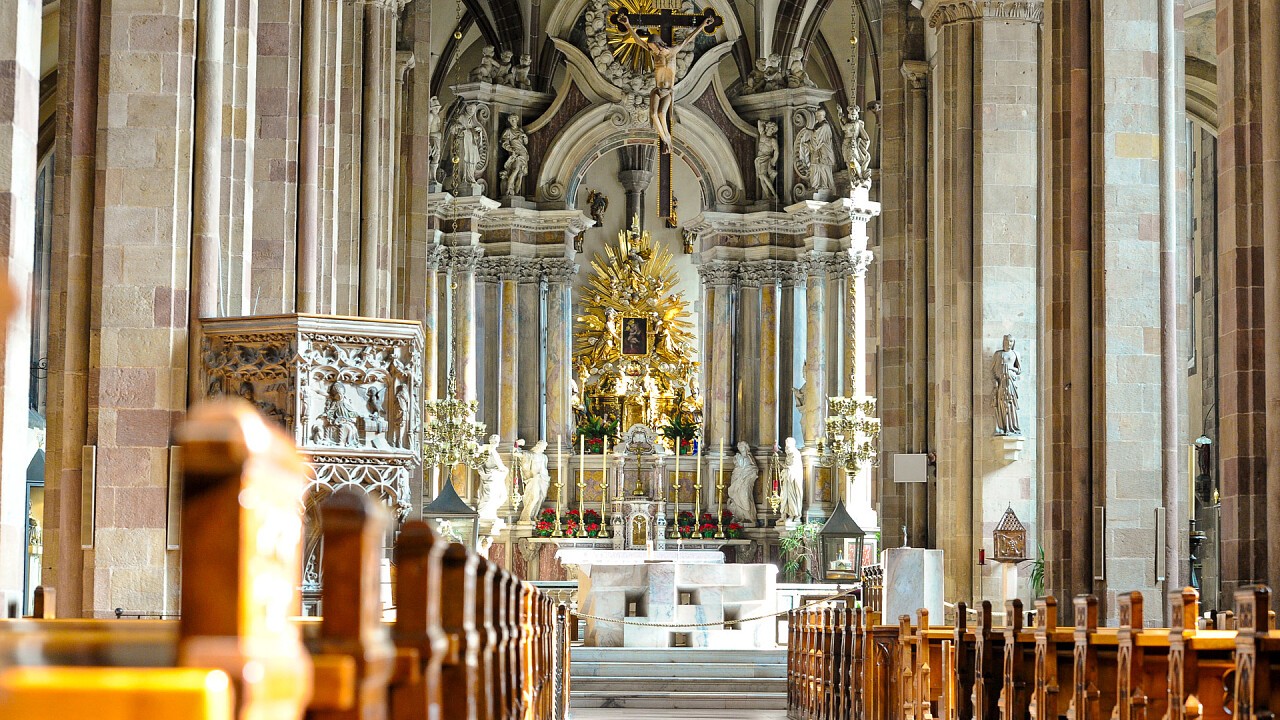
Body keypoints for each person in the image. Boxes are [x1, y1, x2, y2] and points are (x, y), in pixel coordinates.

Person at [615, 14, 714, 147]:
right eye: (651, 47)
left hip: (667, 91)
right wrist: (627, 25)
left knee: (662, 113)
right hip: (657, 90)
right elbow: (638, 41)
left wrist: (702, 26)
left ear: (658, 44)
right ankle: (666, 139)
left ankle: (667, 138)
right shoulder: (655, 55)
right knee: (654, 114)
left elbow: (687, 40)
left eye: (653, 47)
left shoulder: (672, 52)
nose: (652, 49)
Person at [992, 334, 1022, 436]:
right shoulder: (998, 354)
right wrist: (995, 381)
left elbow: (1019, 370)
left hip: (1011, 382)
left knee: (1011, 404)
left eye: (1011, 341)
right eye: (1007, 341)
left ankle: (1012, 427)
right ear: (1003, 341)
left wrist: (1010, 368)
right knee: (1002, 404)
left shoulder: (1015, 354)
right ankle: (1002, 426)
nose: (1009, 344)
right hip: (1002, 383)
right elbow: (993, 370)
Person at [475, 435, 509, 520]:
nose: (496, 443)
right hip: (492, 476)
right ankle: (484, 514)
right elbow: (500, 466)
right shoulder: (491, 451)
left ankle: (489, 513)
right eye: (496, 441)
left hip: (494, 476)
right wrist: (506, 469)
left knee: (498, 496)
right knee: (492, 496)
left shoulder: (489, 451)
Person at [518, 440, 551, 523]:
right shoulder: (529, 455)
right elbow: (516, 453)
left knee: (540, 498)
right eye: (543, 447)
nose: (544, 449)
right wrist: (516, 444)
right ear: (539, 446)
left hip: (543, 479)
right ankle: (526, 516)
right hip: (534, 479)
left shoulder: (544, 457)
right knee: (533, 497)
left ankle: (533, 515)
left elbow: (544, 467)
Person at [727, 441, 759, 523]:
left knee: (744, 496)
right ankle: (739, 516)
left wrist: (748, 473)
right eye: (739, 446)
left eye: (742, 446)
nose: (740, 447)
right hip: (736, 478)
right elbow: (737, 468)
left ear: (746, 447)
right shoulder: (737, 457)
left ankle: (748, 516)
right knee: (735, 496)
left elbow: (754, 469)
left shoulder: (750, 457)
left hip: (745, 480)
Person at [807, 109, 836, 194]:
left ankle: (826, 185)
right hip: (820, 150)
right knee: (818, 167)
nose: (818, 117)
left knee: (824, 167)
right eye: (817, 116)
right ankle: (820, 184)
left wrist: (811, 140)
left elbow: (818, 138)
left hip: (825, 150)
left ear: (823, 116)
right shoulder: (818, 126)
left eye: (820, 116)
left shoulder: (825, 126)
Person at [499, 114, 529, 197]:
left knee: (520, 174)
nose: (513, 122)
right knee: (515, 170)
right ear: (509, 121)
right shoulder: (508, 131)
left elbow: (525, 143)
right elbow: (504, 143)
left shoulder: (520, 130)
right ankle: (508, 189)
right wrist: (511, 149)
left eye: (514, 120)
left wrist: (525, 137)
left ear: (517, 120)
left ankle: (516, 192)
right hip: (515, 153)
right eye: (511, 120)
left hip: (523, 152)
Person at [780, 437, 804, 523]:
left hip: (793, 480)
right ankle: (784, 514)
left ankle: (793, 515)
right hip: (787, 478)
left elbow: (795, 468)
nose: (786, 448)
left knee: (792, 496)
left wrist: (786, 468)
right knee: (784, 496)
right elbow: (787, 466)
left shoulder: (796, 454)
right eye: (786, 446)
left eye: (788, 446)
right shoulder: (789, 455)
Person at [755, 120, 779, 202]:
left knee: (763, 175)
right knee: (761, 178)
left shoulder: (773, 140)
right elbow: (759, 122)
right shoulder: (762, 134)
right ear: (767, 128)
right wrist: (766, 123)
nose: (772, 130)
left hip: (766, 158)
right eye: (771, 128)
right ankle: (768, 196)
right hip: (759, 159)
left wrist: (773, 161)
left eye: (773, 129)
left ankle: (774, 194)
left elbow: (776, 151)